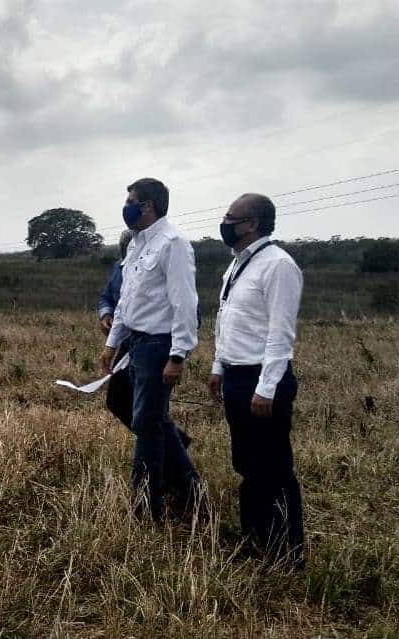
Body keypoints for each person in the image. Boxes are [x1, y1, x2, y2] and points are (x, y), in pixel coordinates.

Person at [207, 193, 305, 568]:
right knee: (247, 464)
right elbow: (226, 321)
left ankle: (286, 552)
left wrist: (267, 387)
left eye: (232, 217)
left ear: (252, 223)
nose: (225, 222)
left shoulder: (278, 265)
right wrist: (218, 366)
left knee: (274, 468)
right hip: (235, 375)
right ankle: (255, 539)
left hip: (263, 381)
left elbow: (281, 334)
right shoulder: (237, 266)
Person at [99, 178, 203, 523]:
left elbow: (185, 303)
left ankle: (146, 505)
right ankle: (192, 491)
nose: (126, 206)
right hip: (137, 343)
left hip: (159, 345)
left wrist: (178, 355)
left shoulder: (172, 244)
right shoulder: (137, 245)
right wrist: (112, 343)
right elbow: (127, 300)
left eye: (131, 200)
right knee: (152, 420)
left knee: (147, 422)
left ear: (149, 206)